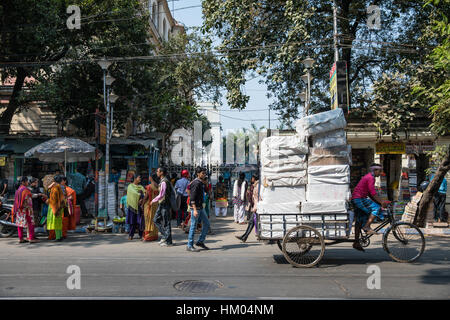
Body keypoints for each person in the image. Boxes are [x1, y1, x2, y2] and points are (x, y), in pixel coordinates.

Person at [351, 163, 388, 251]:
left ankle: (356, 242)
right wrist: (381, 202)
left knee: (359, 220)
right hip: (359, 199)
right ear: (375, 170)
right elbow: (373, 193)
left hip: (357, 198)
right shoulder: (371, 178)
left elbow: (370, 193)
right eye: (380, 171)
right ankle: (367, 226)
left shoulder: (368, 177)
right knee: (376, 208)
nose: (380, 173)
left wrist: (378, 201)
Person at [186, 167, 211, 252]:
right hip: (196, 208)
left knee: (207, 223)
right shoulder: (196, 183)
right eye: (202, 173)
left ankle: (200, 241)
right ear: (198, 174)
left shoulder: (200, 182)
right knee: (193, 226)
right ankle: (189, 245)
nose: (204, 175)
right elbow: (192, 197)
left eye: (205, 173)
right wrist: (195, 209)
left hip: (201, 207)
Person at [13, 177, 38, 244]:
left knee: (19, 224)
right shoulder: (25, 190)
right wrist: (29, 207)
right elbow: (27, 199)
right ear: (23, 182)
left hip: (19, 210)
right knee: (30, 223)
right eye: (26, 181)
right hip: (26, 209)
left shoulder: (18, 190)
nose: (27, 182)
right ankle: (31, 238)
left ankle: (21, 238)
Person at [152, 167, 173, 246]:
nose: (157, 172)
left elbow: (161, 194)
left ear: (161, 173)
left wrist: (153, 200)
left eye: (158, 171)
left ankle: (168, 240)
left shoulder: (164, 182)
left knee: (166, 222)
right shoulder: (162, 181)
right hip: (162, 203)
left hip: (165, 204)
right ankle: (165, 236)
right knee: (156, 220)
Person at [236, 174, 260, 242]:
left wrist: (255, 207)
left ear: (254, 178)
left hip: (257, 207)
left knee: (252, 222)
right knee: (251, 223)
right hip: (255, 207)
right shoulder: (255, 185)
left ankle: (245, 236)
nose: (251, 179)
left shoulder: (257, 186)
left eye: (252, 178)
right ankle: (244, 237)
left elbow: (258, 198)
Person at [126, 174, 146, 240]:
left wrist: (142, 199)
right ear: (135, 179)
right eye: (139, 177)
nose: (140, 179)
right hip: (132, 206)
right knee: (132, 222)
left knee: (140, 221)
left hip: (140, 206)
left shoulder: (141, 186)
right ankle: (131, 235)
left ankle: (141, 235)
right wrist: (140, 194)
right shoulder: (130, 186)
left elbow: (145, 193)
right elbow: (134, 193)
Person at [46, 175, 65, 242]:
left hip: (55, 207)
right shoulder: (60, 187)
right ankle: (60, 236)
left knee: (56, 222)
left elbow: (53, 199)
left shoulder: (55, 188)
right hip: (60, 207)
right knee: (59, 222)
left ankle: (58, 237)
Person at [142, 174, 159, 242]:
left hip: (149, 205)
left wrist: (142, 203)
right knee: (154, 219)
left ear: (151, 178)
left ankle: (148, 236)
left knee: (148, 219)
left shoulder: (149, 186)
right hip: (155, 205)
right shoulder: (157, 186)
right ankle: (154, 235)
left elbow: (146, 197)